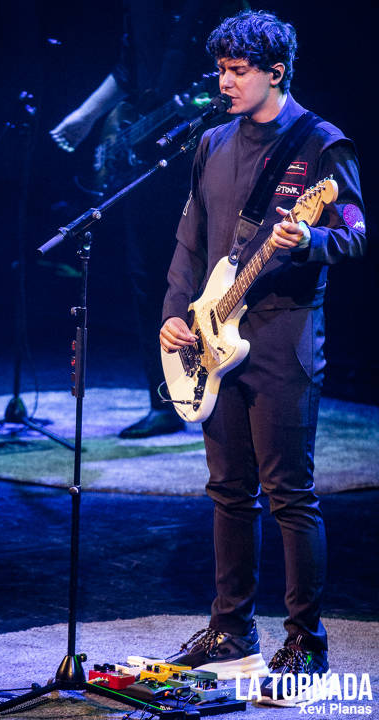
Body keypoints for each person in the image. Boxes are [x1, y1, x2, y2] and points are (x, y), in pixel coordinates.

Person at [160, 10, 366, 706]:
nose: (224, 81)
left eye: (238, 70)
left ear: (276, 71)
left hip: (284, 333)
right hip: (215, 334)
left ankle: (306, 641)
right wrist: (173, 314)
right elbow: (190, 241)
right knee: (226, 490)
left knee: (289, 494)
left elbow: (356, 233)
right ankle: (231, 629)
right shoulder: (212, 143)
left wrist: (308, 239)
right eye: (220, 69)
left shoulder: (323, 144)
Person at [51, 1, 243, 439]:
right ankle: (165, 400)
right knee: (151, 280)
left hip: (217, 146)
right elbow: (127, 69)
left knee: (224, 275)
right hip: (151, 159)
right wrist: (85, 117)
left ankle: (229, 398)